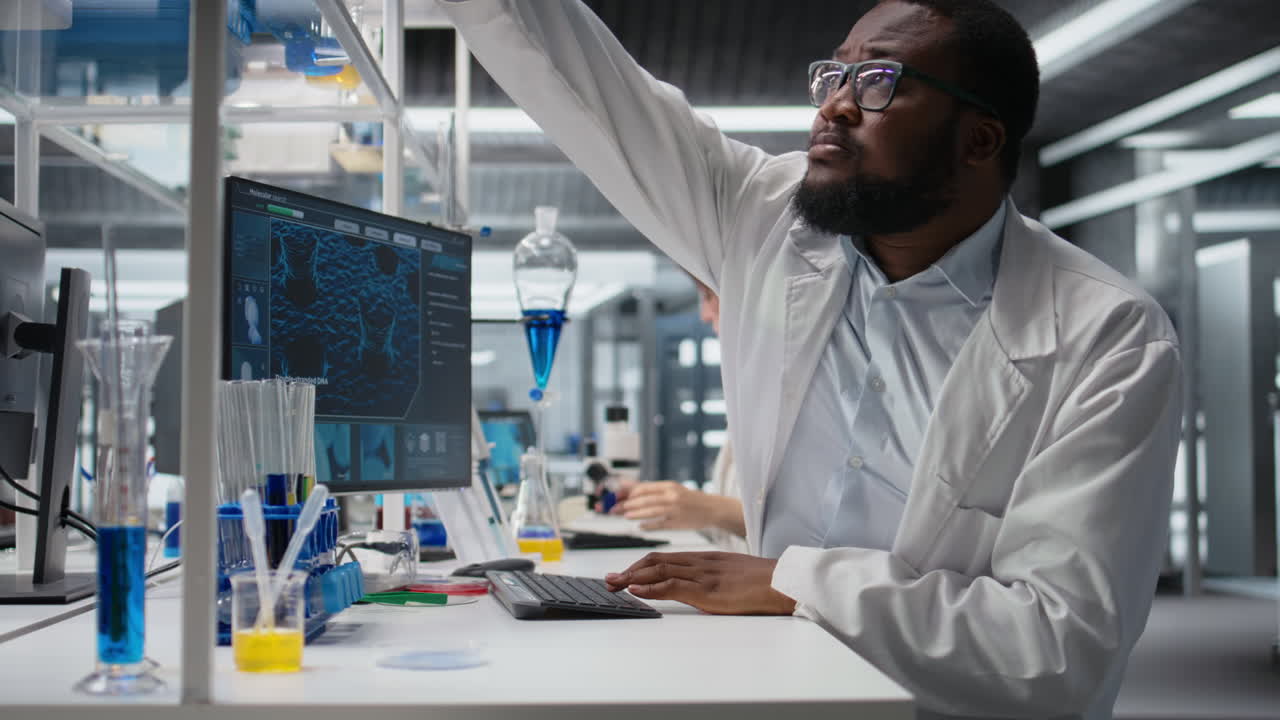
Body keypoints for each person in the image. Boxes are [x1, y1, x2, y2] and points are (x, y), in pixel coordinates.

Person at [439, 1, 1181, 717]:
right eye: (833, 76)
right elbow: (581, 84)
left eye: (879, 82)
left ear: (979, 140)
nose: (836, 107)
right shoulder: (763, 216)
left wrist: (792, 582)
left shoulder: (1105, 335)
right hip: (775, 684)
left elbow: (1055, 648)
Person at [611, 278, 748, 552]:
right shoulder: (749, 391)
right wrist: (669, 503)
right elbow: (737, 536)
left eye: (709, 296)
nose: (705, 315)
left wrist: (712, 508)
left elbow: (815, 537)